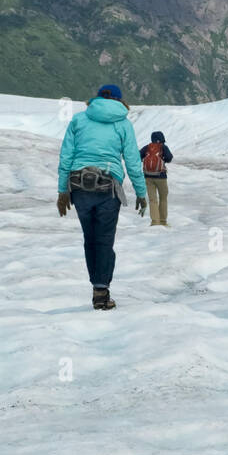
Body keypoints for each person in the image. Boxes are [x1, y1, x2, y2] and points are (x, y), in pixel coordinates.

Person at [57, 84, 147, 310]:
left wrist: (62, 191)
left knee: (90, 238)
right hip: (108, 187)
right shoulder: (123, 124)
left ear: (96, 99)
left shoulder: (79, 120)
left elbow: (66, 156)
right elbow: (133, 161)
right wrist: (141, 192)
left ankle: (97, 288)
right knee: (104, 240)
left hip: (79, 186)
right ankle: (101, 291)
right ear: (119, 101)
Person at [140, 131, 174, 226]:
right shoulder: (163, 147)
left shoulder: (147, 147)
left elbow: (138, 156)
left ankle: (155, 222)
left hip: (148, 177)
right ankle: (163, 222)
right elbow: (169, 158)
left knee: (152, 200)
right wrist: (163, 161)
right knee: (163, 198)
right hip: (161, 177)